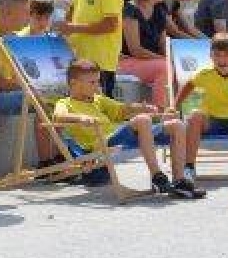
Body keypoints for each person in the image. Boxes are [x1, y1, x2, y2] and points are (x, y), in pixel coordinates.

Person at [53, 58, 201, 198]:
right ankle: (157, 176)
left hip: (126, 134)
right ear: (74, 83)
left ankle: (179, 181)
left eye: (98, 81)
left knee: (177, 125)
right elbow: (58, 117)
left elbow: (122, 109)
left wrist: (141, 107)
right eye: (92, 82)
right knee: (143, 120)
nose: (97, 86)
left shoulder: (97, 100)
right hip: (104, 143)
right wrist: (80, 118)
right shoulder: (65, 103)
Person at [174, 32, 228, 182]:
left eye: (226, 55)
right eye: (217, 55)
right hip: (213, 121)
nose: (221, 60)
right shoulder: (205, 74)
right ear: (211, 56)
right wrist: (174, 106)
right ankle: (189, 166)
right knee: (195, 116)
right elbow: (188, 86)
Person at [119, 0, 174, 107]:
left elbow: (163, 44)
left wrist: (171, 58)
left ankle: (173, 108)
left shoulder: (159, 9)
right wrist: (163, 59)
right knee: (165, 67)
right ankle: (160, 111)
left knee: (174, 66)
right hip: (127, 61)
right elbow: (135, 50)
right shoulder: (130, 10)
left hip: (151, 61)